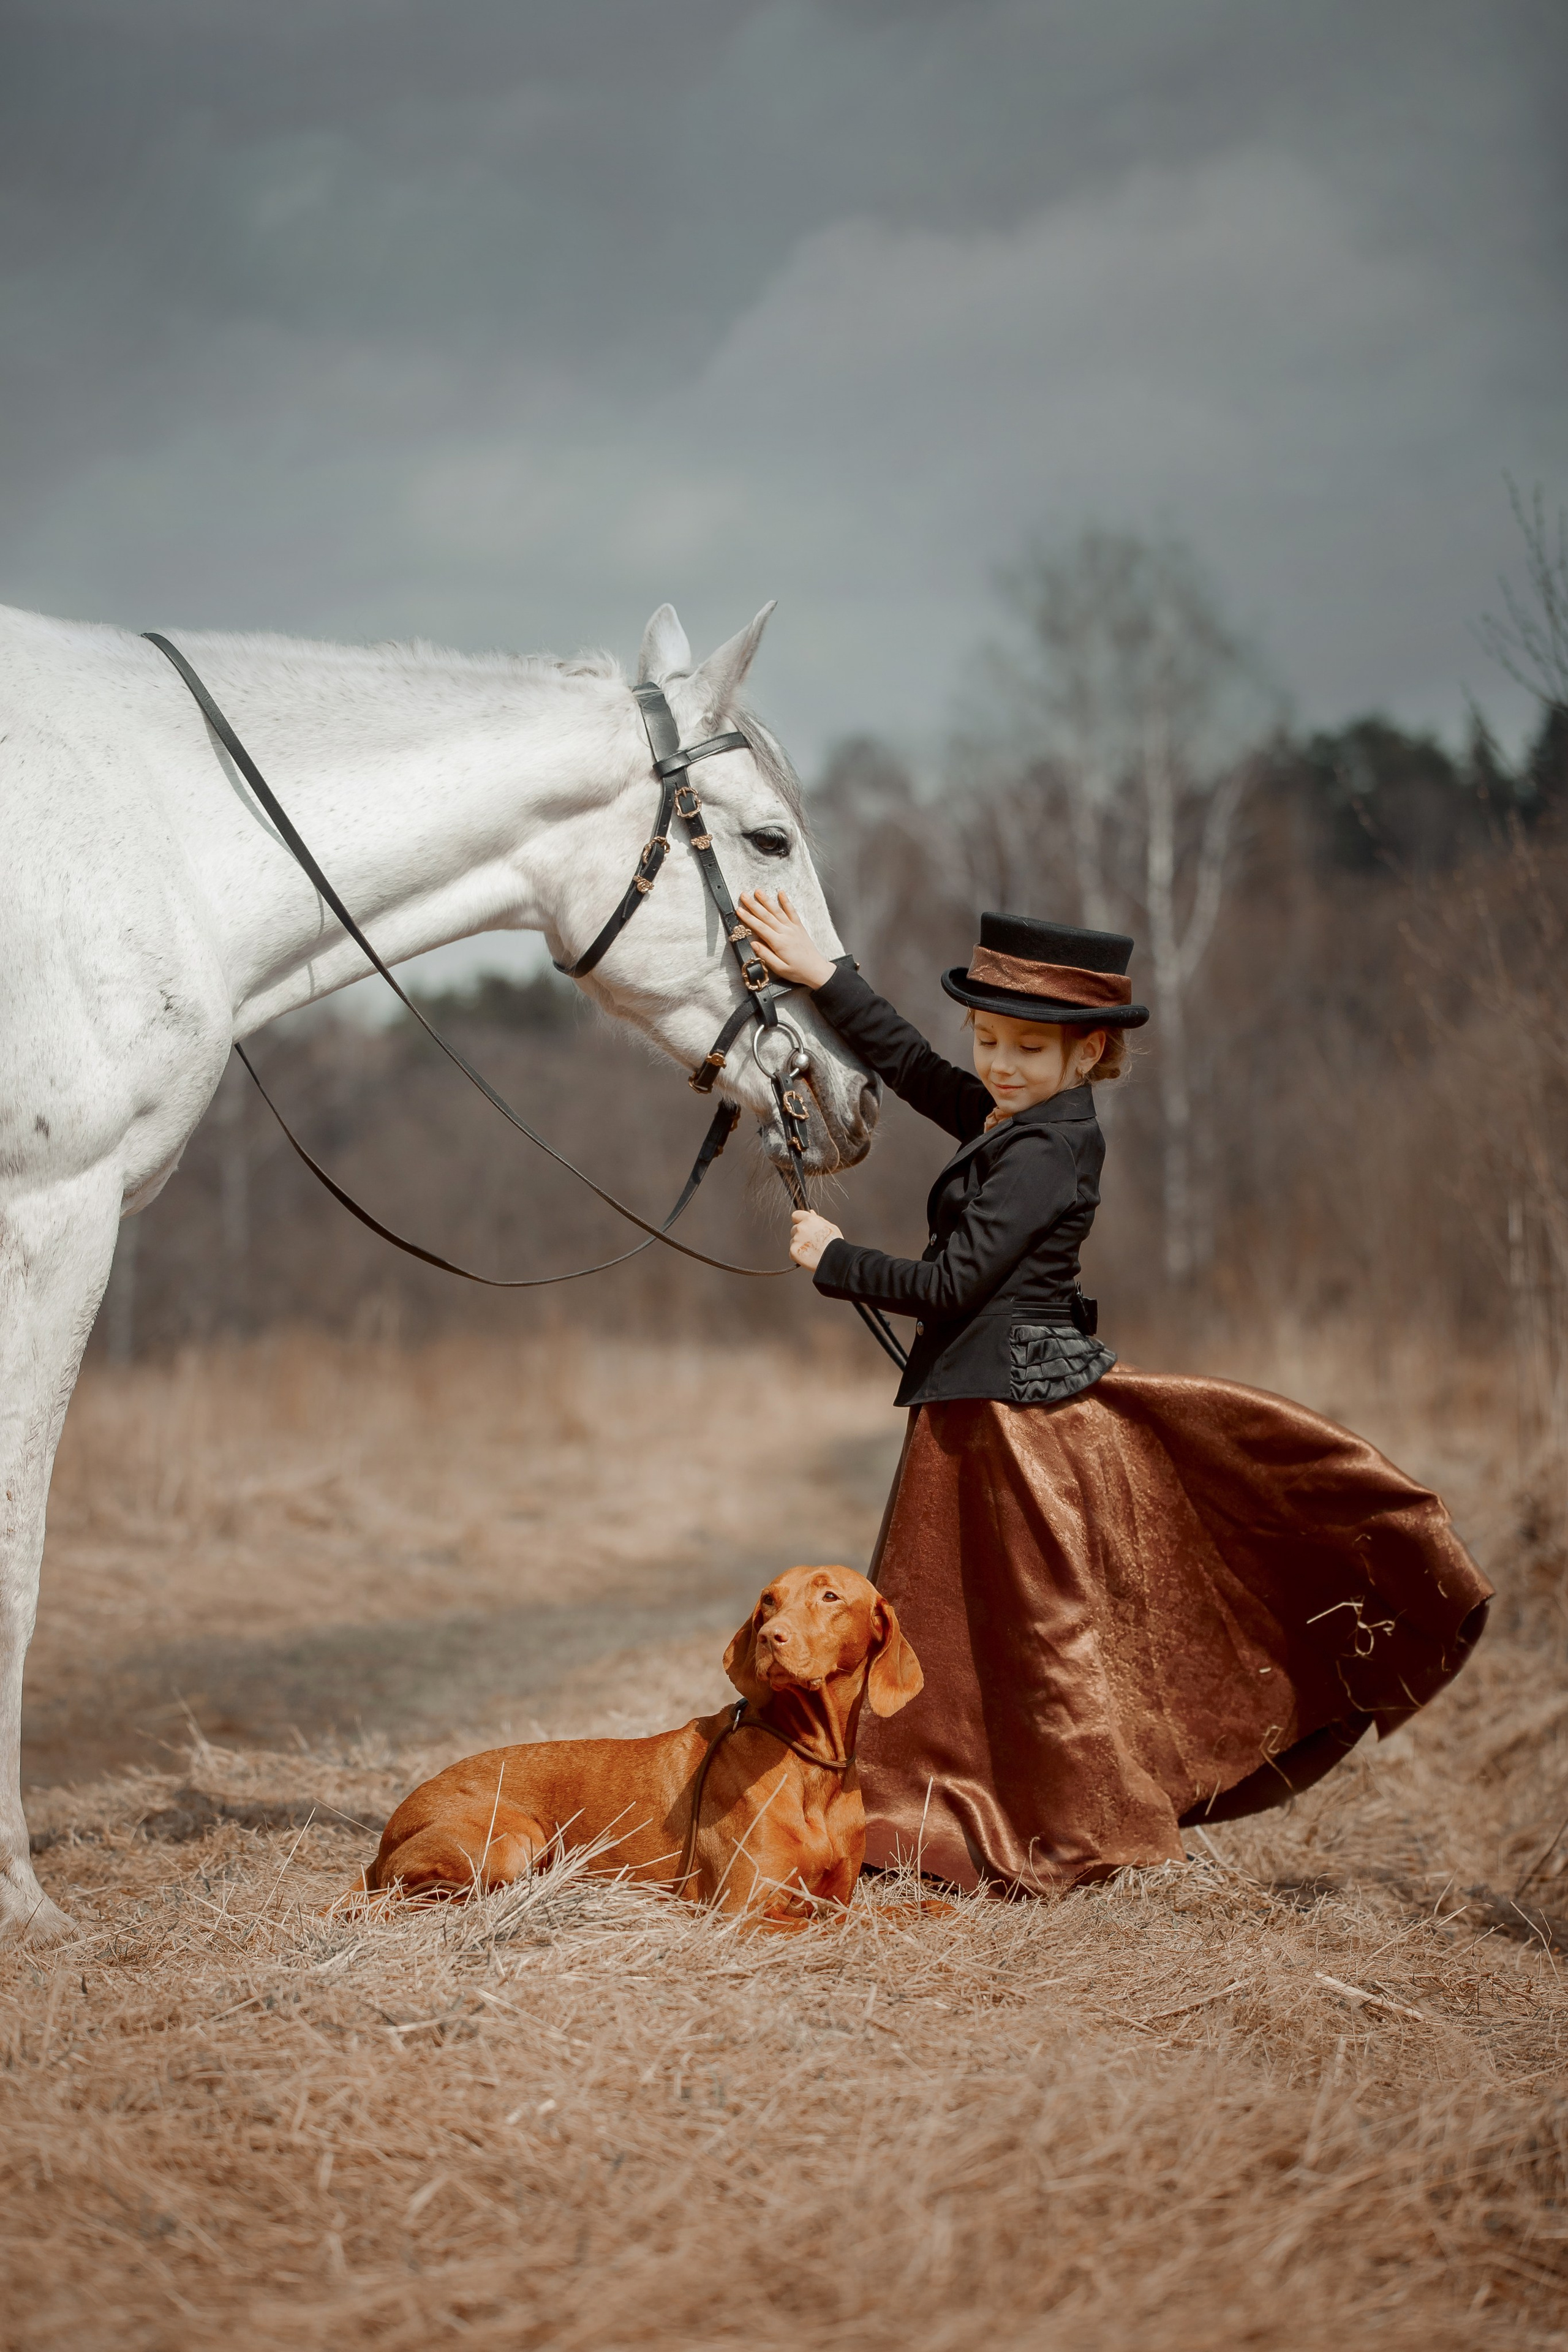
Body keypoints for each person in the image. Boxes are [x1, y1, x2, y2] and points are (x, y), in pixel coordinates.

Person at [736, 888, 1492, 1895]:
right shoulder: (1020, 1117)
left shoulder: (1050, 1148)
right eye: (991, 1040)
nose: (999, 1065)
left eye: (1029, 1050)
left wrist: (839, 1260)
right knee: (965, 1632)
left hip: (1012, 1423)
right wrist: (825, 974)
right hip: (980, 1407)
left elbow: (955, 1284)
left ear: (1087, 1054)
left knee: (1036, 1636)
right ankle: (929, 1816)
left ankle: (1067, 1829)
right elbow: (915, 1068)